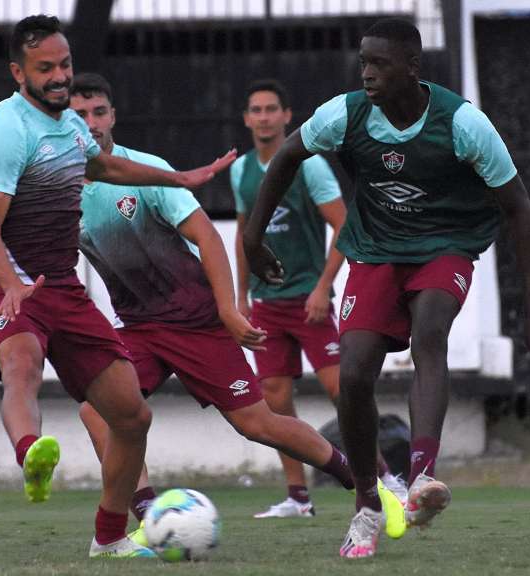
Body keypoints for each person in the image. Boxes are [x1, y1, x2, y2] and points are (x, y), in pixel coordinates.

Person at [242, 18, 530, 558]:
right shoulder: (345, 114)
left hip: (446, 246)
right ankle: (368, 502)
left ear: (412, 68)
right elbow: (288, 157)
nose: (366, 72)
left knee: (429, 334)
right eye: (363, 61)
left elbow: (519, 209)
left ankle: (421, 479)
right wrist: (251, 236)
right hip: (375, 249)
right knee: (356, 370)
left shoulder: (463, 124)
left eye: (379, 63)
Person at [68, 72, 400, 546]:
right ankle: (141, 518)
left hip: (196, 322)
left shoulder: (146, 171)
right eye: (80, 115)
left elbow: (208, 236)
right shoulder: (58, 189)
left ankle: (366, 485)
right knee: (98, 412)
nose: (91, 122)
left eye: (99, 111)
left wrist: (227, 308)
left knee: (258, 423)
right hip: (138, 328)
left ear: (113, 116)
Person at [0, 15, 235, 559]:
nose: (60, 76)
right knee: (22, 366)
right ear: (18, 71)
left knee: (132, 415)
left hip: (63, 288)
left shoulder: (69, 126)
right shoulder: (5, 128)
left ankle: (109, 537)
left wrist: (178, 178)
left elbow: (106, 167)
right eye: (46, 68)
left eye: (64, 64)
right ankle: (30, 454)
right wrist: (11, 283)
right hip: (7, 283)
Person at [232, 79, 407, 519]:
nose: (264, 117)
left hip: (308, 301)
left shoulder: (308, 166)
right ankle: (298, 496)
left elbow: (343, 225)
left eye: (272, 109)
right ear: (247, 119)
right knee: (273, 399)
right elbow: (243, 236)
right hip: (266, 303)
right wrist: (240, 295)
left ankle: (386, 478)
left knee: (341, 389)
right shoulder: (241, 171)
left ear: (288, 116)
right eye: (256, 110)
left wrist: (321, 287)